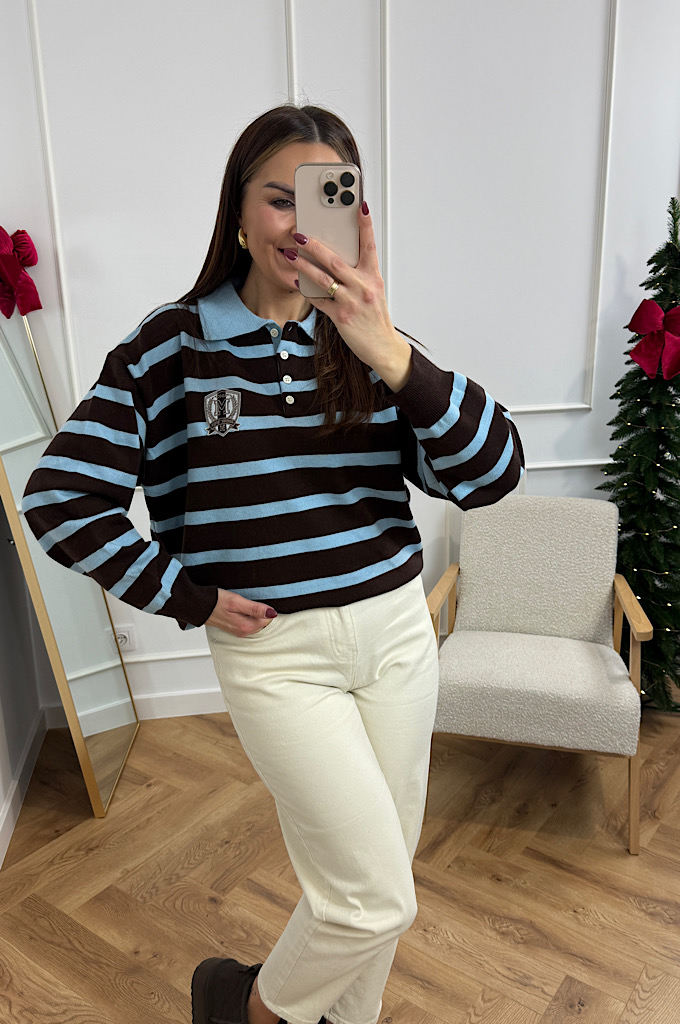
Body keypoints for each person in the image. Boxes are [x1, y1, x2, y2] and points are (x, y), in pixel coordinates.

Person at [22, 104, 525, 1024]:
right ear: (240, 213)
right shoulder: (171, 348)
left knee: (374, 884)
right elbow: (60, 500)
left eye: (324, 198)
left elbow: (493, 475)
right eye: (278, 197)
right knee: (373, 900)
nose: (299, 222)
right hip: (276, 656)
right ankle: (240, 1007)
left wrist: (385, 346)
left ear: (356, 216)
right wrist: (186, 595)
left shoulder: (371, 342)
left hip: (397, 639)